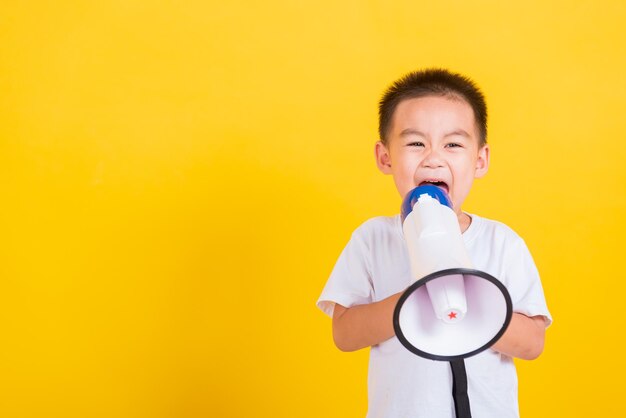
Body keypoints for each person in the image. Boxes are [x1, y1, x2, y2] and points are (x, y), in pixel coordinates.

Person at [317, 68, 552, 418]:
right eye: (415, 143)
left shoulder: (502, 243)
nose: (433, 157)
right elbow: (344, 333)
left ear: (480, 160)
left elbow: (533, 343)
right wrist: (413, 298)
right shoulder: (372, 239)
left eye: (453, 144)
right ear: (385, 157)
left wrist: (474, 304)